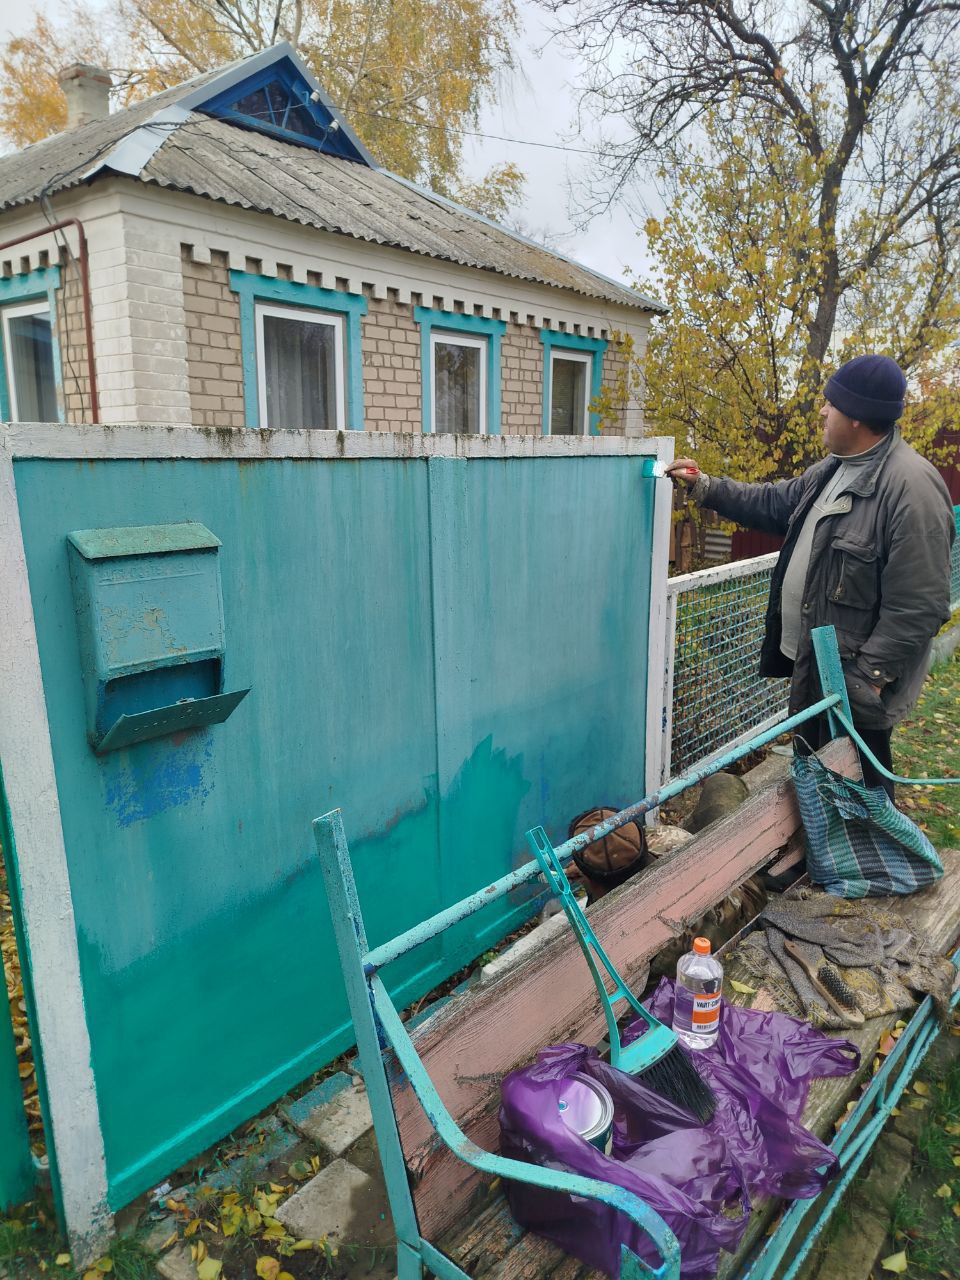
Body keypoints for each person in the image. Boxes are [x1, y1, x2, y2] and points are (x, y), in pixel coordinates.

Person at [666, 354, 955, 797]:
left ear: (856, 416)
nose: (822, 411)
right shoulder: (835, 468)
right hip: (817, 670)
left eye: (831, 404)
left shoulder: (911, 489)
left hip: (851, 683)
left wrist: (868, 678)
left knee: (862, 795)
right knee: (817, 783)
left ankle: (866, 865)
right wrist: (704, 485)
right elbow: (775, 503)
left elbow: (920, 605)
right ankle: (821, 856)